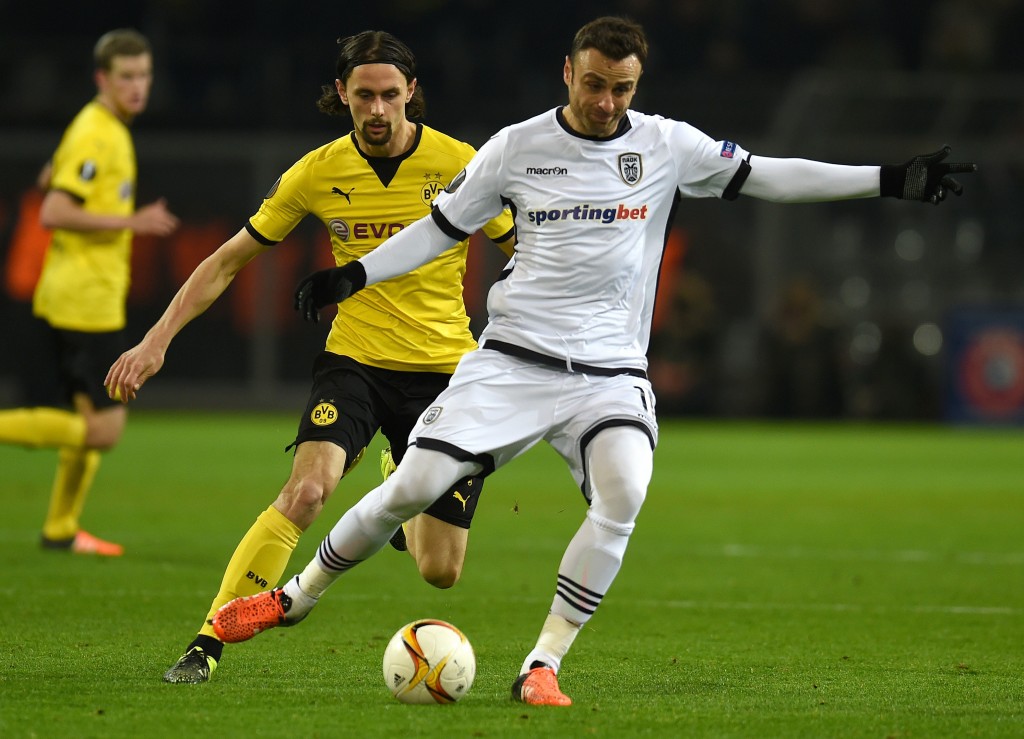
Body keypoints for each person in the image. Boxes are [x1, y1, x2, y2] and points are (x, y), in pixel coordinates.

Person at [208, 16, 976, 706]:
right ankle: (295, 598)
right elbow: (442, 228)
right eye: (597, 84)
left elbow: (768, 174)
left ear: (636, 85)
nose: (608, 101)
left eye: (623, 88)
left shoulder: (667, 144)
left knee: (625, 490)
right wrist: (356, 273)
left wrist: (888, 180)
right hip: (511, 361)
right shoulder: (517, 146)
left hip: (608, 375)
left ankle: (542, 663)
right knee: (412, 485)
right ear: (568, 74)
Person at [104, 31, 515, 684]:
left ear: (411, 92)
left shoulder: (461, 164)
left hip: (446, 375)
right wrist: (156, 339)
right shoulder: (318, 171)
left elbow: (526, 247)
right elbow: (228, 260)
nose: (376, 110)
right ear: (342, 96)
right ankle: (209, 637)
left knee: (440, 570)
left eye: (388, 95)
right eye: (362, 96)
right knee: (306, 490)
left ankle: (398, 480)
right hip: (355, 360)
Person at [0, 29, 179, 557]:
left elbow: (54, 178)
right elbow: (53, 210)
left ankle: (60, 527)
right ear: (102, 78)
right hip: (84, 303)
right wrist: (134, 220)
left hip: (87, 296)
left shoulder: (101, 130)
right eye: (126, 76)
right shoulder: (97, 131)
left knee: (90, 416)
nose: (137, 86)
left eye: (144, 75)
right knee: (102, 431)